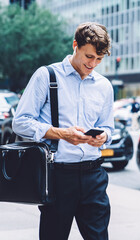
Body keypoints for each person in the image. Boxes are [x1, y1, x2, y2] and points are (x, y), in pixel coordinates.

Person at [12, 22, 114, 240]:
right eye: (89, 57)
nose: (93, 64)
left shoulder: (104, 86)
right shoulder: (46, 76)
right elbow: (20, 122)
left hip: (94, 176)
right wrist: (61, 134)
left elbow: (108, 127)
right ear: (75, 45)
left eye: (99, 59)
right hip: (58, 176)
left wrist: (104, 137)